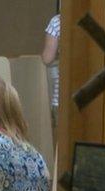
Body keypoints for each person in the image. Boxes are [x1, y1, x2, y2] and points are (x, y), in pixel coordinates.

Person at [42, 13, 60, 147]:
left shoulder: (57, 21)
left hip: (61, 96)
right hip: (92, 94)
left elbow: (47, 58)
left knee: (60, 145)